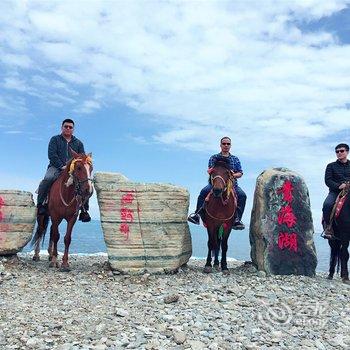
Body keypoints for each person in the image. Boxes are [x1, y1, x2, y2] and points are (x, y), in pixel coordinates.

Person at [36, 118, 91, 222]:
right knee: (48, 179)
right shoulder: (55, 139)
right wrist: (62, 166)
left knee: (85, 182)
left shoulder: (79, 143)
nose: (68, 128)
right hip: (55, 167)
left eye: (70, 127)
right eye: (66, 126)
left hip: (72, 169)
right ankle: (41, 205)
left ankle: (84, 210)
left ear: (73, 129)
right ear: (62, 127)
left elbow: (82, 158)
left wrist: (72, 168)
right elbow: (52, 155)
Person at [188, 136, 247, 229]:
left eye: (228, 144)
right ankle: (197, 215)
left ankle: (237, 219)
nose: (226, 145)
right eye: (224, 143)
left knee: (242, 195)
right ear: (220, 145)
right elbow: (210, 170)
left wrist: (233, 175)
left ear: (230, 145)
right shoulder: (214, 157)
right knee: (203, 192)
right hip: (215, 184)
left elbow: (240, 173)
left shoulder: (235, 159)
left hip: (232, 185)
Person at [322, 143, 350, 226]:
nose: (339, 153)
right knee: (327, 205)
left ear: (347, 152)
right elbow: (328, 180)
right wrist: (338, 186)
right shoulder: (331, 166)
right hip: (335, 192)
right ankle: (328, 228)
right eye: (337, 152)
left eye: (342, 151)